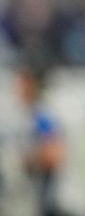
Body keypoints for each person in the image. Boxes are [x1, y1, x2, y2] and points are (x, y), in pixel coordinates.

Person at [16, 66, 66, 216]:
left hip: (48, 196)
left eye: (23, 86)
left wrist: (28, 159)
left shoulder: (43, 116)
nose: (19, 92)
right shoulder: (30, 114)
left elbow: (53, 154)